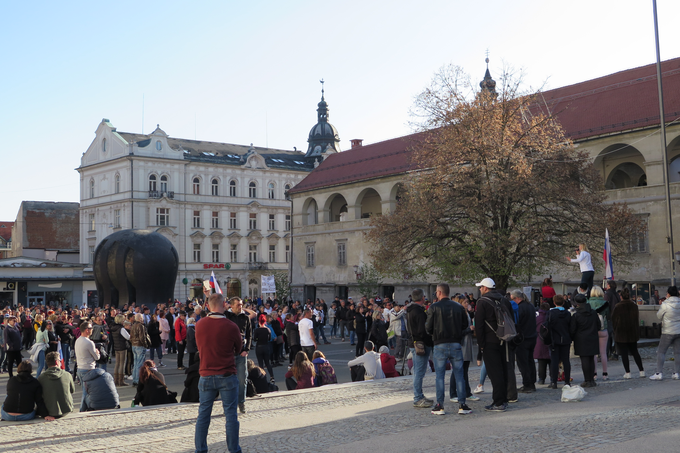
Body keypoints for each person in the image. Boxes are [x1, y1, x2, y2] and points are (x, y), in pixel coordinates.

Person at [194, 293, 243, 453]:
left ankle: (200, 449)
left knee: (203, 415)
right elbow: (238, 349)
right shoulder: (231, 326)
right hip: (227, 373)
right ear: (224, 305)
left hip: (206, 374)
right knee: (230, 415)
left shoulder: (199, 325)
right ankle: (233, 449)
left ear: (208, 306)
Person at [425, 283, 471, 416]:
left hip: (440, 343)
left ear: (439, 292)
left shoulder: (433, 307)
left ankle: (440, 405)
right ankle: (462, 404)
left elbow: (428, 328)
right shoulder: (458, 307)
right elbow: (464, 325)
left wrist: (434, 333)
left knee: (440, 377)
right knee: (459, 375)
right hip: (456, 343)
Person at [474, 277, 515, 412]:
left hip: (490, 341)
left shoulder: (482, 302)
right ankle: (503, 399)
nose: (479, 289)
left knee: (494, 373)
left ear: (485, 288)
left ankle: (498, 402)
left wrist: (481, 345)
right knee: (503, 370)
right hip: (505, 339)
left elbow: (479, 325)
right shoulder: (504, 300)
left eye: (481, 287)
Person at [406, 288, 434, 408]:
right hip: (420, 344)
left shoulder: (410, 310)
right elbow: (423, 330)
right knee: (419, 372)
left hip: (414, 342)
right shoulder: (418, 312)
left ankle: (420, 396)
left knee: (418, 371)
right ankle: (417, 397)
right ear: (422, 298)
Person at [225, 297, 253, 414]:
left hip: (241, 352)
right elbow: (212, 311)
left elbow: (249, 335)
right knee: (227, 381)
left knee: (242, 379)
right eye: (238, 305)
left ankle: (241, 402)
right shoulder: (227, 316)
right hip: (229, 353)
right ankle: (228, 405)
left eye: (241, 305)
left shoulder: (245, 318)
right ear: (231, 306)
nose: (240, 307)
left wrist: (247, 349)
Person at [611, 288, 645, 379]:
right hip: (632, 332)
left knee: (624, 353)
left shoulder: (618, 306)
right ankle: (641, 371)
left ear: (620, 296)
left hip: (621, 332)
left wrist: (615, 330)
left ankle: (628, 372)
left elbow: (613, 320)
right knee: (635, 352)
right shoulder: (634, 306)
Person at [649, 286, 680, 381]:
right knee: (678, 353)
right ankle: (677, 373)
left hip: (667, 331)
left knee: (661, 351)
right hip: (678, 330)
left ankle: (659, 372)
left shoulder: (665, 304)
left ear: (668, 294)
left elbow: (658, 316)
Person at [570, 294, 601, 387]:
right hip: (593, 337)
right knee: (591, 359)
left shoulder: (576, 315)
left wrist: (572, 338)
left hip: (581, 339)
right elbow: (598, 326)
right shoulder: (593, 312)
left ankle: (587, 380)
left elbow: (572, 329)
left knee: (585, 359)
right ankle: (591, 379)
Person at [511, 289, 537, 393]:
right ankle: (532, 383)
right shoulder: (530, 306)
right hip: (532, 337)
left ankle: (527, 384)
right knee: (530, 361)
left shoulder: (519, 308)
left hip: (523, 338)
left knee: (523, 362)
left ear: (516, 298)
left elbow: (517, 323)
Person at [38, 351, 74, 418]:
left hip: (49, 411)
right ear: (57, 362)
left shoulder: (41, 377)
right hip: (66, 409)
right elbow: (72, 390)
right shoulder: (67, 375)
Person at [75, 320, 100, 412]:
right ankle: (82, 410)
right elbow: (96, 357)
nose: (92, 330)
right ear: (86, 330)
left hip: (80, 368)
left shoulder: (78, 340)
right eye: (90, 328)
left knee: (85, 390)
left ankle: (84, 409)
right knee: (87, 392)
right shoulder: (89, 342)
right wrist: (98, 352)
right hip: (88, 369)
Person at [548, 295, 572, 389]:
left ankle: (554, 381)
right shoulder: (567, 314)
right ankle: (567, 381)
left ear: (554, 303)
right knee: (566, 360)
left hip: (554, 339)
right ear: (563, 302)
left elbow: (548, 326)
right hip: (566, 339)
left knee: (554, 361)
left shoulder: (551, 313)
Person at [588, 286, 609, 380]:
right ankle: (605, 374)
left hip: (592, 330)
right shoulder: (605, 303)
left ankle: (594, 373)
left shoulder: (588, 303)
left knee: (594, 354)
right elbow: (608, 315)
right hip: (603, 328)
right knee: (603, 353)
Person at [534, 303, 551, 385]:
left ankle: (541, 378)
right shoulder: (550, 317)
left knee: (541, 361)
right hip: (550, 340)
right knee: (552, 361)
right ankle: (552, 377)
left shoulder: (537, 318)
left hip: (539, 341)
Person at [253, 314, 275, 381]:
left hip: (259, 347)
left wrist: (257, 339)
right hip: (266, 346)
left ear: (259, 322)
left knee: (260, 363)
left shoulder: (257, 330)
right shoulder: (268, 330)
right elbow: (269, 338)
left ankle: (262, 377)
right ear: (265, 321)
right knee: (267, 363)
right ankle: (272, 376)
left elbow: (254, 339)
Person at [604, 281, 621, 360]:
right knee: (615, 337)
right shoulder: (616, 294)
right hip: (617, 317)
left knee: (608, 337)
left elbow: (606, 306)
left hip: (610, 317)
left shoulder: (608, 294)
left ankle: (607, 354)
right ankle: (615, 353)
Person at [130, 313, 148, 385]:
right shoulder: (140, 326)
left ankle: (135, 379)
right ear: (140, 318)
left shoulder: (133, 325)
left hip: (134, 345)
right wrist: (145, 344)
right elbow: (142, 337)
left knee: (135, 363)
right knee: (139, 364)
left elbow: (131, 337)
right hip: (139, 345)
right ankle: (137, 380)